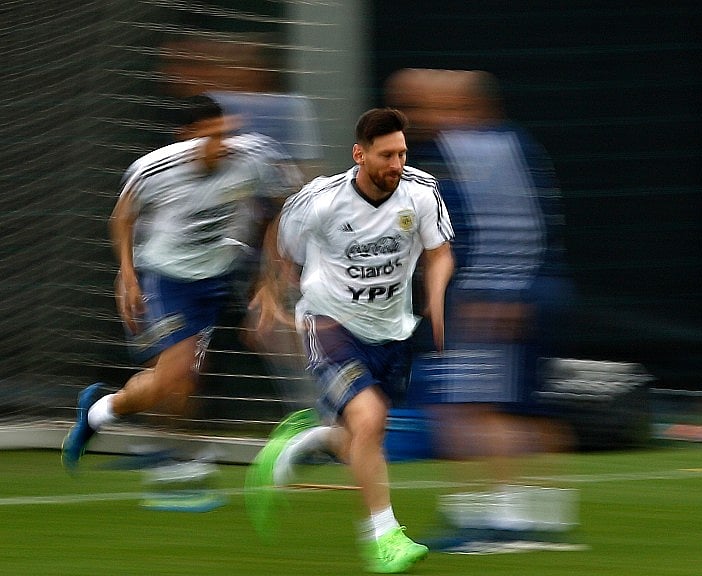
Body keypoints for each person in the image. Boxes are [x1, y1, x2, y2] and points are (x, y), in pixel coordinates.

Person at [244, 107, 454, 574]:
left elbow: (440, 252)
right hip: (329, 324)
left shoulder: (422, 192)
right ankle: (384, 539)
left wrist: (437, 295)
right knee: (369, 417)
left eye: (402, 154)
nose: (396, 164)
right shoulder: (322, 200)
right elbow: (280, 238)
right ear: (359, 155)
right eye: (386, 155)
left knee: (362, 436)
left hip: (392, 332)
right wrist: (271, 291)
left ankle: (300, 442)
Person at [61, 94, 302, 473]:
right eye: (209, 137)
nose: (220, 145)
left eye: (224, 134)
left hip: (219, 274)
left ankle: (119, 422)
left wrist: (269, 277)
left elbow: (283, 206)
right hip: (166, 277)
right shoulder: (153, 169)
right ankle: (110, 421)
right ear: (186, 137)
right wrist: (127, 274)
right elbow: (122, 216)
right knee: (174, 374)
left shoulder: (254, 157)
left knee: (184, 380)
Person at [389, 69, 578, 544]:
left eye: (420, 104)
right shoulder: (507, 143)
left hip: (494, 299)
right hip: (518, 293)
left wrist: (499, 297)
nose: (412, 116)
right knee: (509, 409)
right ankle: (541, 517)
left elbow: (511, 228)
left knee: (468, 408)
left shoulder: (474, 147)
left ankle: (501, 519)